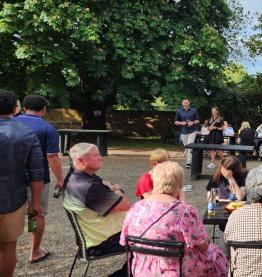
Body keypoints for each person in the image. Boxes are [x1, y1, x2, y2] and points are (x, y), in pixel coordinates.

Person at [121, 161, 228, 277]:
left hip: (143, 270)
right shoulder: (185, 211)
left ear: (155, 181)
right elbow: (203, 246)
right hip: (177, 270)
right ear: (180, 184)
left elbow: (124, 241)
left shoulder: (136, 207)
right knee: (217, 255)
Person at [63, 143, 131, 276]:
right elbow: (126, 204)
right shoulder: (87, 186)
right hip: (102, 242)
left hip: (95, 236)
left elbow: (110, 190)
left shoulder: (77, 177)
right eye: (96, 155)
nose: (101, 158)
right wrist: (116, 189)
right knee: (151, 236)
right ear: (80, 161)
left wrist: (112, 190)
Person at [13, 94, 64, 263]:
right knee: (35, 214)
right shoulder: (47, 128)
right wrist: (60, 179)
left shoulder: (10, 122)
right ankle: (34, 251)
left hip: (10, 179)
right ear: (44, 109)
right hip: (37, 180)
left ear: (24, 107)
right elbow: (52, 157)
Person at [0, 89, 44, 276]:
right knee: (8, 249)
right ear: (15, 108)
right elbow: (36, 173)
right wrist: (35, 204)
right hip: (14, 200)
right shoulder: (26, 133)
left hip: (13, 199)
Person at [174, 98, 200, 168]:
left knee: (190, 146)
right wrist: (181, 123)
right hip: (183, 131)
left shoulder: (193, 110)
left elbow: (198, 120)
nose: (185, 104)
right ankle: (189, 159)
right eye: (184, 103)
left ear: (189, 103)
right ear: (182, 104)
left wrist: (192, 122)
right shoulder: (179, 111)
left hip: (192, 131)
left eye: (186, 103)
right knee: (186, 147)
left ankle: (188, 162)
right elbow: (175, 122)